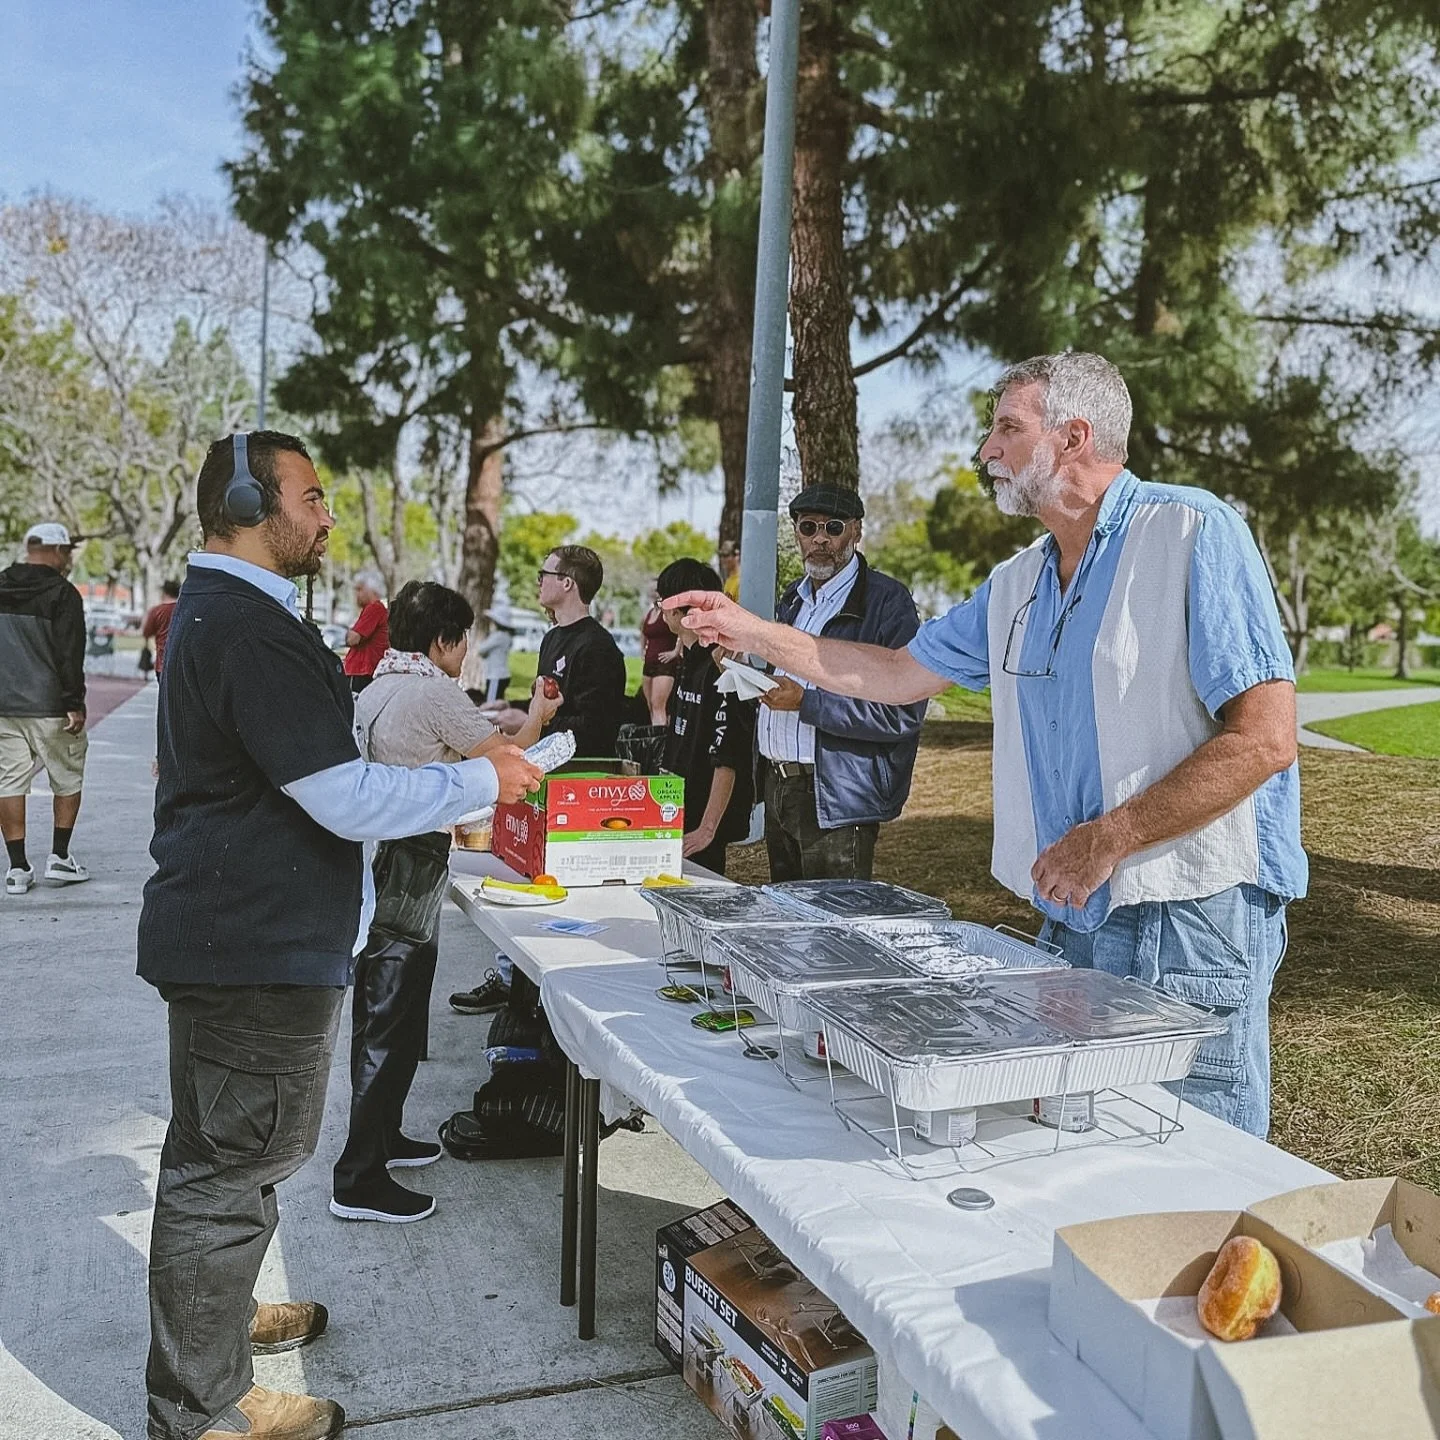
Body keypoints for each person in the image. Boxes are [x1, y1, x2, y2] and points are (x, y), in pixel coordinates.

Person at [668, 352, 1306, 1138]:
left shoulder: (1190, 532)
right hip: (1072, 911)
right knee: (1085, 1147)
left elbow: (1266, 740)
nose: (986, 451)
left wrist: (1111, 837)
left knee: (1197, 1157)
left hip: (1189, 920)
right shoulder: (1019, 581)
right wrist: (752, 630)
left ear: (1073, 437)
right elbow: (897, 672)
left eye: (1008, 427)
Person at [137, 430, 542, 1440]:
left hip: (244, 940)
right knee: (224, 1172)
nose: (327, 516)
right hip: (252, 950)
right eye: (310, 496)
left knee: (238, 1160)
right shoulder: (246, 623)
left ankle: (219, 1329)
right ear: (246, 503)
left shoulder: (235, 614)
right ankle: (205, 1406)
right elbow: (339, 794)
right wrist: (478, 779)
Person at [333, 580, 560, 1225]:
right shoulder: (434, 689)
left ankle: (382, 1139)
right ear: (444, 640)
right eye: (462, 642)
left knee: (388, 1007)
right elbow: (508, 762)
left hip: (381, 853)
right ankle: (358, 1176)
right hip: (413, 855)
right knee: (391, 1010)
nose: (464, 655)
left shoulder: (378, 685)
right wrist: (541, 712)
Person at [755, 486, 925, 882]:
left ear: (856, 532)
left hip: (836, 795)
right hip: (779, 787)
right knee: (786, 926)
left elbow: (901, 712)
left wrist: (807, 703)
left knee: (834, 931)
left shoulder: (886, 603)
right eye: (808, 526)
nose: (820, 538)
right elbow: (786, 684)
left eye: (833, 528)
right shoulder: (793, 600)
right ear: (796, 532)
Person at [0, 522, 91, 895]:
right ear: (55, 551)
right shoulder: (62, 593)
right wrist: (74, 702)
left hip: (4, 704)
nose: (69, 558)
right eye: (67, 551)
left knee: (9, 781)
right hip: (51, 705)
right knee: (67, 778)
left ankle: (18, 868)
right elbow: (70, 652)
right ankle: (59, 857)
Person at [656, 558, 756, 876]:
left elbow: (729, 753)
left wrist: (708, 828)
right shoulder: (688, 661)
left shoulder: (720, 664)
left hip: (701, 825)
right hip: (677, 811)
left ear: (677, 611)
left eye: (663, 601)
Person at [488, 545, 626, 758]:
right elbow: (549, 706)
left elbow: (595, 729)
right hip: (546, 766)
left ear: (567, 583)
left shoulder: (598, 647)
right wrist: (509, 707)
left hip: (581, 775)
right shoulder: (551, 638)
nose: (539, 582)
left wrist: (529, 722)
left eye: (544, 574)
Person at [640, 579, 681, 725]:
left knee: (659, 705)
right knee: (650, 705)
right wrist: (642, 652)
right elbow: (643, 633)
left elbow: (682, 630)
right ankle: (655, 738)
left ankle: (660, 743)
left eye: (655, 590)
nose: (653, 593)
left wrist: (675, 651)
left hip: (664, 664)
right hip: (649, 662)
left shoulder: (669, 612)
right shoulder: (649, 614)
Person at [342, 570, 389, 694]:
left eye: (359, 589)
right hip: (364, 672)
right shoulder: (374, 610)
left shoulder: (374, 608)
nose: (356, 594)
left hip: (362, 672)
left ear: (371, 590)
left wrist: (343, 635)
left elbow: (353, 639)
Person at [475, 603, 518, 704]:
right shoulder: (507, 636)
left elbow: (481, 649)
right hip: (502, 675)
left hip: (496, 676)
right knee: (497, 703)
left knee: (491, 705)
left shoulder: (498, 636)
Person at [142, 579, 182, 679]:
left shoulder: (156, 611)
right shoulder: (184, 609)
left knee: (164, 693)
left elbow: (146, 632)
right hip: (181, 662)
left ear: (164, 593)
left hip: (162, 663)